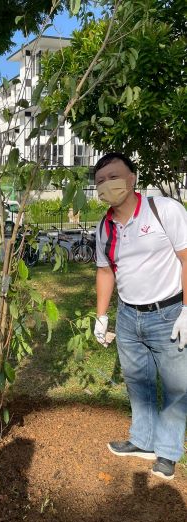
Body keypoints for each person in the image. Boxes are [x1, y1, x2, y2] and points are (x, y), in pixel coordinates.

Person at [93, 152, 187, 481]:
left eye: (114, 177)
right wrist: (101, 317)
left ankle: (168, 452)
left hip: (169, 312)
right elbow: (105, 272)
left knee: (177, 387)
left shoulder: (164, 211)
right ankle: (143, 439)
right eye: (101, 181)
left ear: (132, 178)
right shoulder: (104, 227)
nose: (108, 185)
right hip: (129, 317)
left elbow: (186, 259)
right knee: (138, 382)